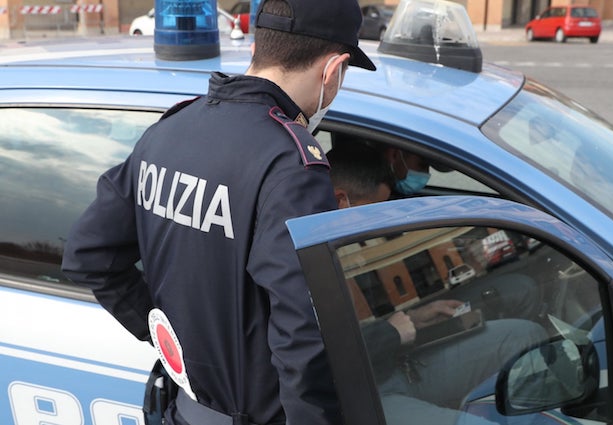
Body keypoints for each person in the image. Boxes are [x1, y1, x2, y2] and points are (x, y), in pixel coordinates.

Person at [61, 0, 376, 424]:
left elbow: (88, 255)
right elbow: (304, 334)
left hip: (183, 411)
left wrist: (170, 341)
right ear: (333, 68)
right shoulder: (291, 165)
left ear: (258, 48)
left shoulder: (169, 130)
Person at [327, 146, 547, 425]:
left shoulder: (345, 239)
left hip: (398, 363)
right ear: (340, 200)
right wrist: (389, 333)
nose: (375, 222)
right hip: (360, 394)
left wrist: (416, 318)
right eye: (371, 211)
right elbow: (318, 358)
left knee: (524, 336)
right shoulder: (299, 255)